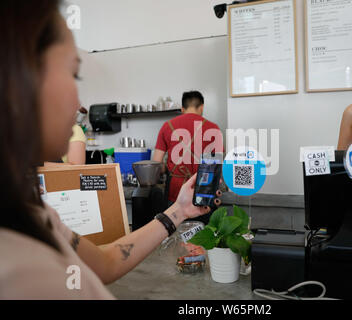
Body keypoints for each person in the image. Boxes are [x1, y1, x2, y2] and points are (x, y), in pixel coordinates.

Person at [0, 0, 221, 299]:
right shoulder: (16, 265)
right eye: (72, 73)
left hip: (178, 195)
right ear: (16, 77)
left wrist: (179, 210)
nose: (81, 104)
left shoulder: (34, 215)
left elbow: (104, 262)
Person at [152, 91, 223, 222]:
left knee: (174, 236)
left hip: (175, 192)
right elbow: (218, 167)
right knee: (204, 234)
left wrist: (167, 167)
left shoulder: (167, 126)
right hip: (204, 192)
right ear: (201, 107)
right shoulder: (214, 128)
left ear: (182, 109)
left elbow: (156, 164)